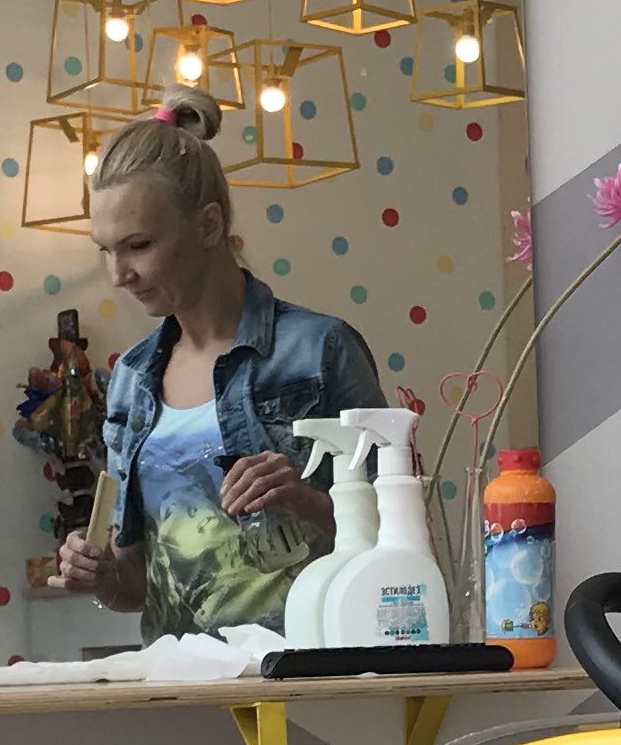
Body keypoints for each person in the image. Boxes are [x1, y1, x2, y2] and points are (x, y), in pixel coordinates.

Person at [52, 95, 383, 638]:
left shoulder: (321, 350)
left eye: (138, 245)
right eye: (105, 250)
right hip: (178, 681)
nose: (118, 274)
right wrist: (102, 577)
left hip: (311, 671)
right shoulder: (131, 382)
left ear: (209, 225)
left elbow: (396, 540)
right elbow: (137, 585)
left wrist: (301, 500)